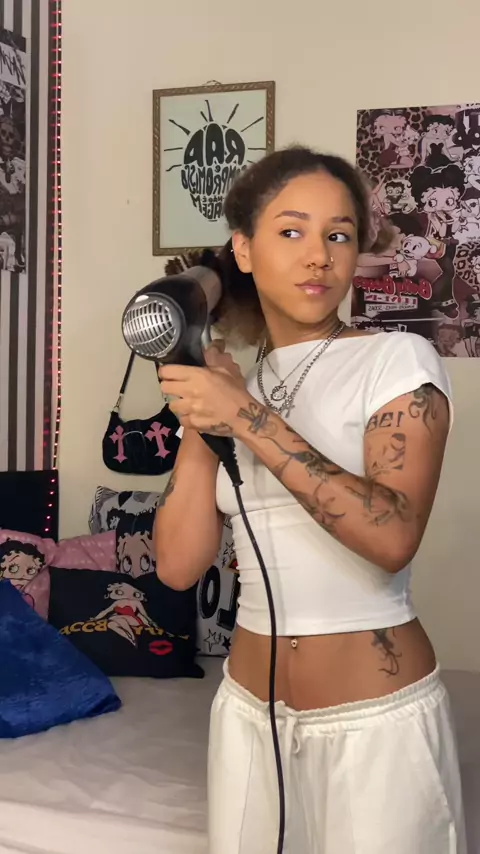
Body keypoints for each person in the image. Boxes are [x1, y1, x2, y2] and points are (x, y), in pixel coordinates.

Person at [154, 146, 466, 854]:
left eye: (339, 234)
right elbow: (176, 566)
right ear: (243, 249)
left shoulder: (395, 360)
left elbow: (392, 536)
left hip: (375, 723)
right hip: (247, 719)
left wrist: (244, 416)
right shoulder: (238, 382)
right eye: (291, 231)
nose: (318, 255)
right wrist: (205, 414)